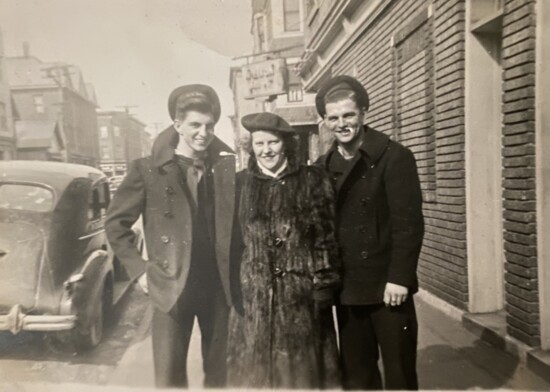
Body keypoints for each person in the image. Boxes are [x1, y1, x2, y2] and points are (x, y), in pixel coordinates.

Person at [105, 84, 239, 388]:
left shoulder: (224, 167)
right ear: (177, 125)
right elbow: (116, 224)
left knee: (221, 376)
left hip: (218, 287)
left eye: (209, 126)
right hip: (170, 287)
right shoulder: (148, 170)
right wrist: (139, 271)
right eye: (194, 125)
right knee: (169, 378)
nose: (203, 133)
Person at [315, 75, 425, 390]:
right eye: (333, 118)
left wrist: (400, 278)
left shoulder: (394, 156)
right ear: (325, 121)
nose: (342, 124)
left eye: (348, 115)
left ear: (364, 112)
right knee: (357, 376)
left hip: (388, 287)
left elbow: (409, 224)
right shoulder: (323, 165)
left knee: (399, 373)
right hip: (348, 288)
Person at [227, 112, 341, 389]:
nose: (266, 150)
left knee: (301, 375)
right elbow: (232, 244)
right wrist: (237, 290)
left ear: (286, 144)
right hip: (254, 298)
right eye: (259, 144)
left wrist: (323, 285)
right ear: (251, 147)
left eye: (273, 143)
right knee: (257, 374)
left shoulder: (313, 179)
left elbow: (326, 237)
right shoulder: (239, 184)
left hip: (301, 297)